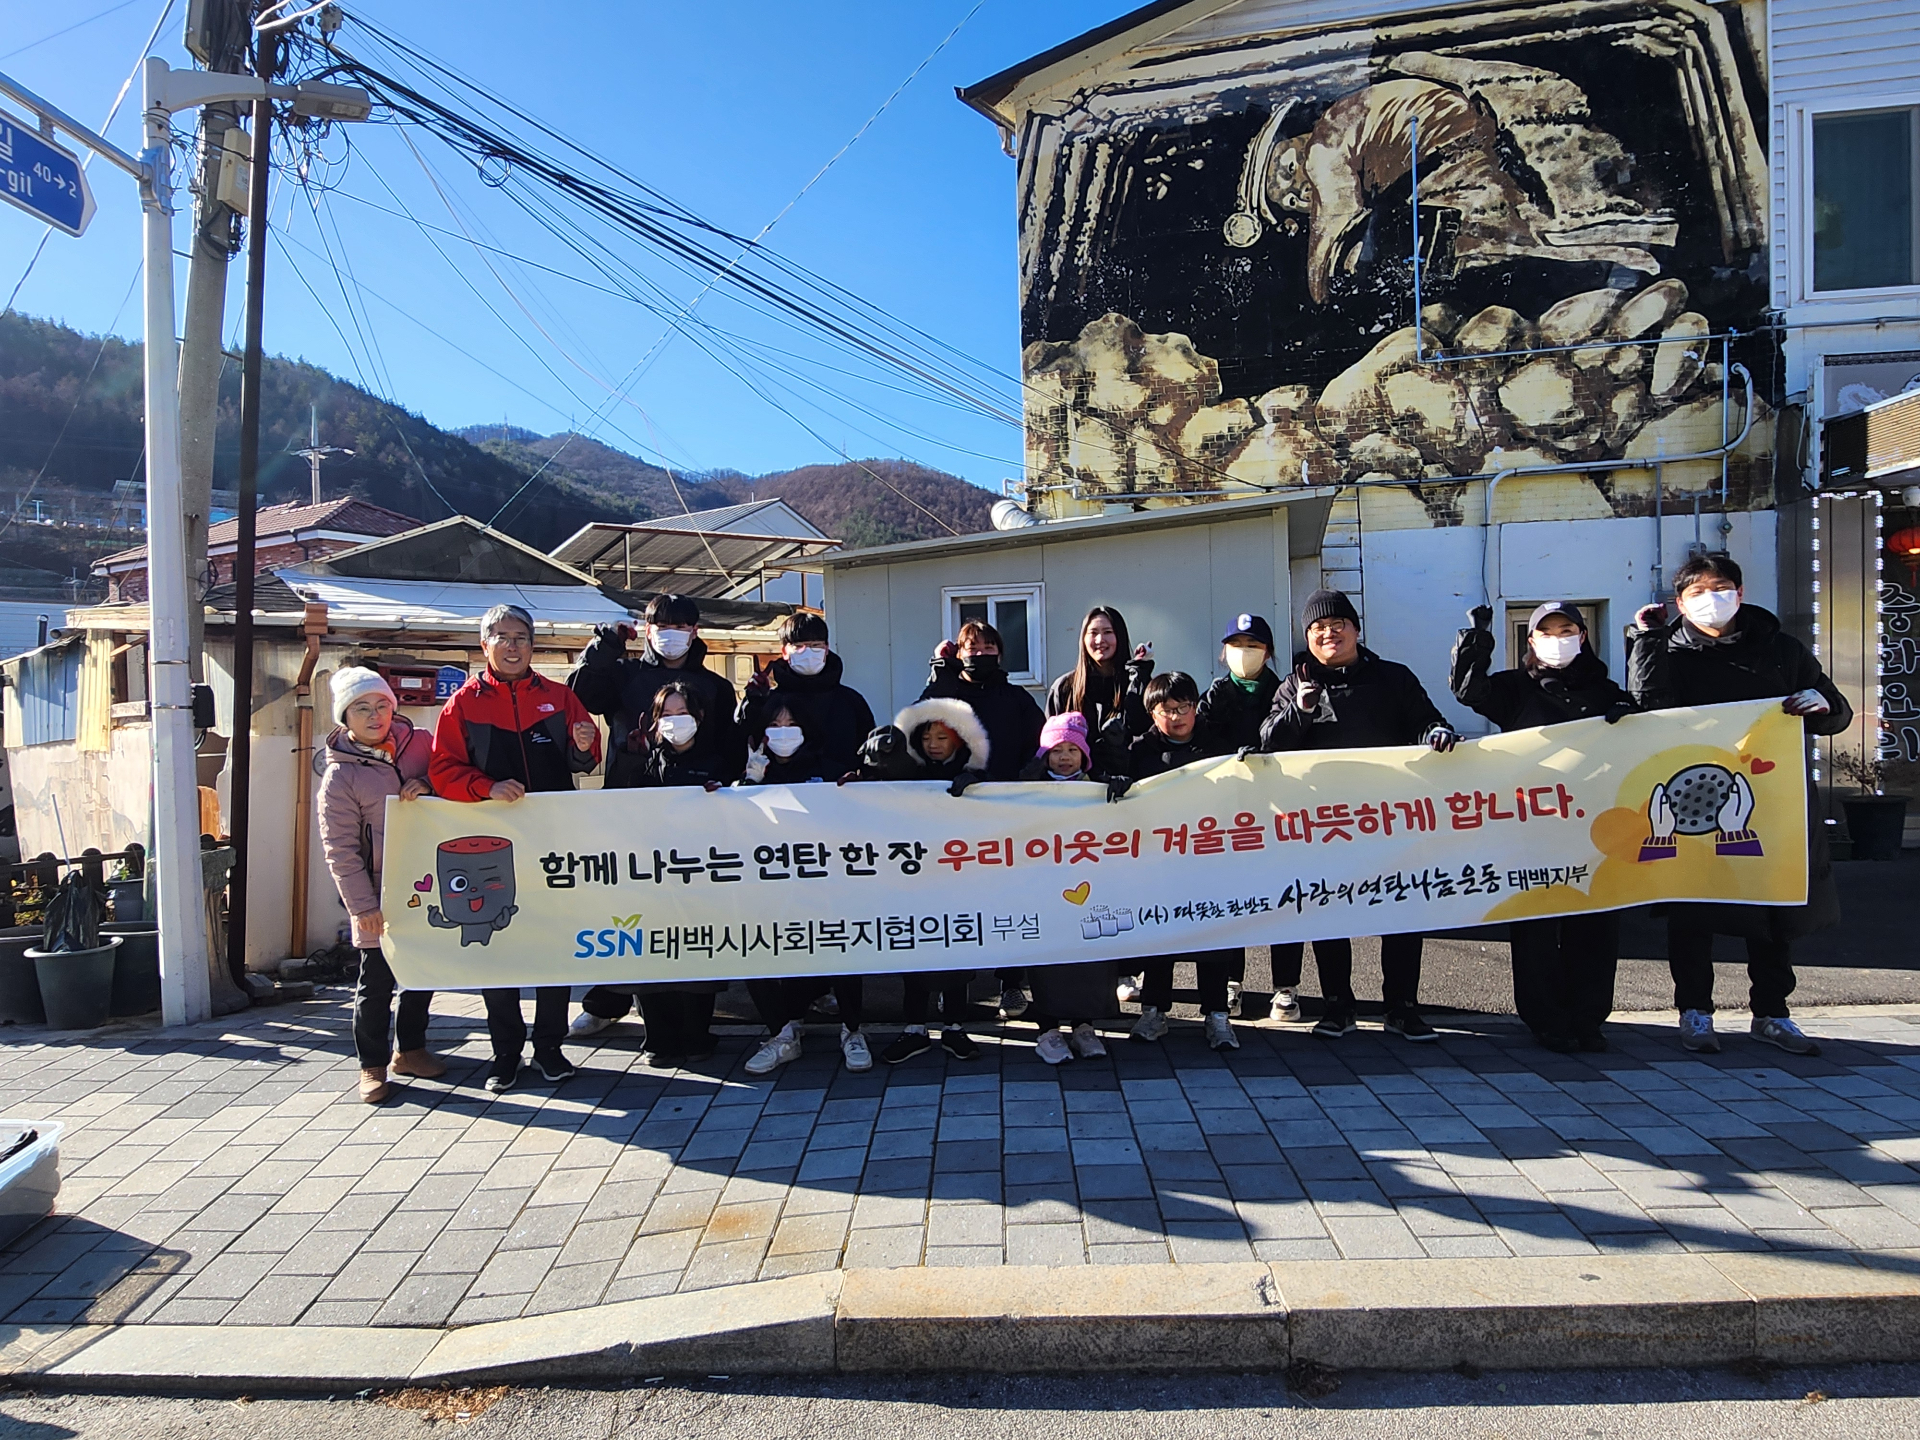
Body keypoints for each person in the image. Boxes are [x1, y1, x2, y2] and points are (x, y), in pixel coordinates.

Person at [1628, 553, 1852, 1057]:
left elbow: (1835, 711)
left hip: (1772, 799)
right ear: (1679, 602)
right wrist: (1644, 640)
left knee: (1772, 905)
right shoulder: (1665, 650)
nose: (1713, 599)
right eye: (1699, 591)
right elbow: (1646, 709)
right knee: (1693, 906)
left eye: (1722, 586)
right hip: (1689, 797)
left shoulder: (1780, 649)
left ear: (1741, 592)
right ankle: (1694, 1011)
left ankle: (1772, 1012)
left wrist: (1823, 706)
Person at [1260, 589, 1460, 1043]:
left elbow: (1425, 720)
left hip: (1390, 820)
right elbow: (1271, 744)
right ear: (1308, 639)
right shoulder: (1294, 684)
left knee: (1403, 909)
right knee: (1330, 911)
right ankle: (1337, 1005)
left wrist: (1437, 733)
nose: (1328, 634)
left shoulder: (1393, 678)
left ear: (1356, 629)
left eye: (1337, 625)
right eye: (1317, 629)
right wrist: (1302, 710)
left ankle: (1402, 1006)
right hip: (1324, 823)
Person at [429, 603, 600, 1092]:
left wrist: (587, 744)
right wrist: (486, 788)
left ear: (532, 645)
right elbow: (444, 771)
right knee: (498, 947)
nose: (511, 645)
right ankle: (505, 1053)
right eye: (500, 636)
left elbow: (583, 761)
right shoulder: (462, 704)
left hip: (552, 842)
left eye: (520, 636)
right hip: (490, 847)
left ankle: (550, 1047)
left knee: (551, 944)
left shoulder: (560, 697)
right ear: (484, 644)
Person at [1452, 601, 1637, 1053]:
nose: (1558, 639)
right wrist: (1476, 639)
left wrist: (1626, 714)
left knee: (1594, 925)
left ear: (1583, 635)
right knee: (1536, 927)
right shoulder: (1515, 688)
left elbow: (1642, 727)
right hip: (1533, 828)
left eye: (1567, 629)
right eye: (1548, 631)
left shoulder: (1604, 687)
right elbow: (1469, 692)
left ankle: (1588, 1017)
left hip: (1595, 829)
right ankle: (1547, 1020)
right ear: (1531, 641)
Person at [580, 682, 739, 1067]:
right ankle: (659, 1040)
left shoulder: (720, 761)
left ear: (699, 718)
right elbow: (615, 809)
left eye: (682, 714)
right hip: (650, 879)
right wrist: (630, 762)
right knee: (654, 956)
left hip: (702, 878)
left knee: (698, 954)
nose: (674, 722)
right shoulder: (641, 759)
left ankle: (698, 1036)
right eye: (666, 715)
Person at [317, 666, 443, 1104]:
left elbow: (451, 780)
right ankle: (371, 1065)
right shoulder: (340, 777)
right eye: (362, 708)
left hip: (428, 883)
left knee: (421, 975)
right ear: (344, 718)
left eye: (382, 705)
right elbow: (340, 848)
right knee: (376, 982)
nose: (375, 716)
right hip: (376, 894)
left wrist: (428, 783)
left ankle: (411, 1049)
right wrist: (361, 905)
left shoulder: (421, 745)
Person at [1105, 673, 1242, 1050]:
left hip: (1209, 855)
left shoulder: (1220, 745)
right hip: (1157, 860)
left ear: (1196, 707)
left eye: (1185, 707)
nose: (1178, 716)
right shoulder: (1139, 751)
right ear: (1152, 713)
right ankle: (1154, 1012)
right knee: (1159, 935)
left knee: (1212, 936)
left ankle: (1217, 1016)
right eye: (1167, 710)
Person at [738, 696, 874, 1077]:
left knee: (843, 946)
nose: (783, 732)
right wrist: (747, 783)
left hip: (825, 884)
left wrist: (856, 788)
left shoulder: (829, 769)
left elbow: (857, 814)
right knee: (755, 950)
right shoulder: (751, 773)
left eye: (791, 723)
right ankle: (782, 1035)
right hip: (768, 887)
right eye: (775, 724)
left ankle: (852, 1031)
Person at [919, 619, 1044, 1017]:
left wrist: (1021, 783)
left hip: (1007, 814)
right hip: (953, 814)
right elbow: (918, 726)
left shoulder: (1016, 698)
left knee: (1011, 900)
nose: (981, 654)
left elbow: (1040, 747)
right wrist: (940, 672)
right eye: (972, 647)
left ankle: (1010, 984)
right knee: (959, 903)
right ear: (958, 652)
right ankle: (955, 987)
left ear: (1001, 654)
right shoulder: (947, 695)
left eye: (989, 647)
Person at [1014, 711, 1119, 1064]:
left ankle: (1084, 1027)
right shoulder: (1028, 788)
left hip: (1088, 885)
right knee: (1047, 958)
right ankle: (1047, 1031)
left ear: (1084, 755)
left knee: (1087, 956)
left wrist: (1119, 789)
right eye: (1055, 750)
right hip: (1042, 887)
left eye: (1071, 750)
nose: (1063, 757)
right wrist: (1019, 785)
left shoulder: (1095, 787)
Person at [1196, 613, 1284, 1022]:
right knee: (1233, 898)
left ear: (1267, 652)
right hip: (1231, 814)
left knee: (1285, 895)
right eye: (1236, 645)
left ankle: (1286, 986)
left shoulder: (1284, 690)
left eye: (1253, 645)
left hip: (1282, 809)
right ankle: (1232, 983)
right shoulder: (1215, 694)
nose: (1243, 653)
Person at [570, 593, 741, 787]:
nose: (671, 633)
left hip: (699, 795)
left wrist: (725, 782)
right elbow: (577, 694)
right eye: (662, 626)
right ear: (649, 630)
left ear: (694, 631)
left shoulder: (717, 687)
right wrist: (607, 645)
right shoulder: (623, 675)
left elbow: (730, 747)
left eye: (679, 627)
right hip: (629, 792)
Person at [737, 612, 875, 781]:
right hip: (778, 795)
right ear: (784, 651)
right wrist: (752, 703)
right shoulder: (769, 702)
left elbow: (869, 757)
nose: (808, 652)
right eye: (799, 646)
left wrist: (861, 779)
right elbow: (737, 746)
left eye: (815, 645)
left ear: (826, 648)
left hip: (843, 797)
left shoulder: (851, 702)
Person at [1045, 605, 1153, 736]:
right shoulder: (1064, 688)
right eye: (1093, 633)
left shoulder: (1137, 684)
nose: (1100, 640)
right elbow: (1053, 740)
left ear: (1120, 636)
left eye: (1107, 632)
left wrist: (1139, 676)